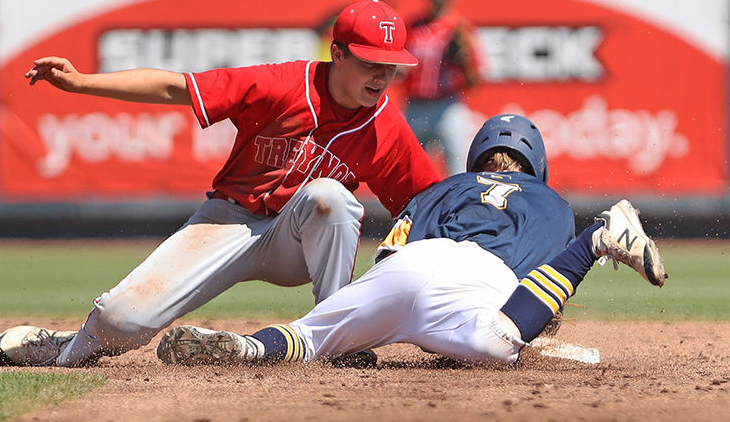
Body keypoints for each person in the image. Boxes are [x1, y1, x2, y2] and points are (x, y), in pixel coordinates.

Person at [0, 0, 442, 368]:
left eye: (391, 66)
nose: (382, 77)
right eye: (370, 63)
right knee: (120, 320)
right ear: (338, 53)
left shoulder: (388, 128)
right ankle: (69, 347)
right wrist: (83, 83)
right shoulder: (283, 83)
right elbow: (175, 88)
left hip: (296, 244)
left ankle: (335, 334)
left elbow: (431, 206)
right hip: (231, 221)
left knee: (332, 199)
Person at [153, 114, 668, 367]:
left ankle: (245, 349)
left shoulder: (444, 187)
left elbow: (389, 252)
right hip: (479, 286)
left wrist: (387, 318)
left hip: (402, 268)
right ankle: (601, 236)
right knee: (503, 342)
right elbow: (540, 285)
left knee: (310, 339)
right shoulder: (550, 203)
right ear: (537, 163)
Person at [402, 0, 485, 176]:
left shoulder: (462, 27)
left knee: (459, 170)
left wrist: (464, 62)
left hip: (447, 106)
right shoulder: (413, 25)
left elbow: (476, 79)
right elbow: (398, 69)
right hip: (415, 106)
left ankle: (459, 209)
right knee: (409, 171)